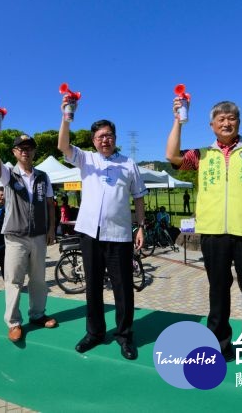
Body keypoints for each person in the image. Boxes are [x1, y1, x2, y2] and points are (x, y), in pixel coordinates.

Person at [166, 99, 242, 390]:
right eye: (221, 120)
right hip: (213, 233)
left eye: (231, 119)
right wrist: (178, 121)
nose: (227, 124)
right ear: (212, 125)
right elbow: (171, 155)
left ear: (238, 123)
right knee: (217, 292)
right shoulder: (202, 155)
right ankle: (219, 345)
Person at [59, 111, 147, 360]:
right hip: (90, 234)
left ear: (115, 137)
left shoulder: (129, 164)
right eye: (99, 136)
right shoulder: (86, 159)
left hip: (119, 235)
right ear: (93, 141)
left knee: (123, 288)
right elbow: (62, 145)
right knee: (93, 286)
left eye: (108, 135)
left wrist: (140, 226)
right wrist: (66, 116)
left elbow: (139, 197)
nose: (104, 140)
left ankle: (124, 335)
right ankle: (94, 333)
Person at [0, 118, 57, 343]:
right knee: (14, 280)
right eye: (21, 148)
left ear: (34, 151)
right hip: (15, 236)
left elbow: (49, 205)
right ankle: (14, 322)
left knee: (38, 280)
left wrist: (51, 229)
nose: (26, 151)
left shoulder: (43, 177)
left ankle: (37, 315)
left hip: (38, 236)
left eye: (30, 148)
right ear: (15, 152)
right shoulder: (8, 174)